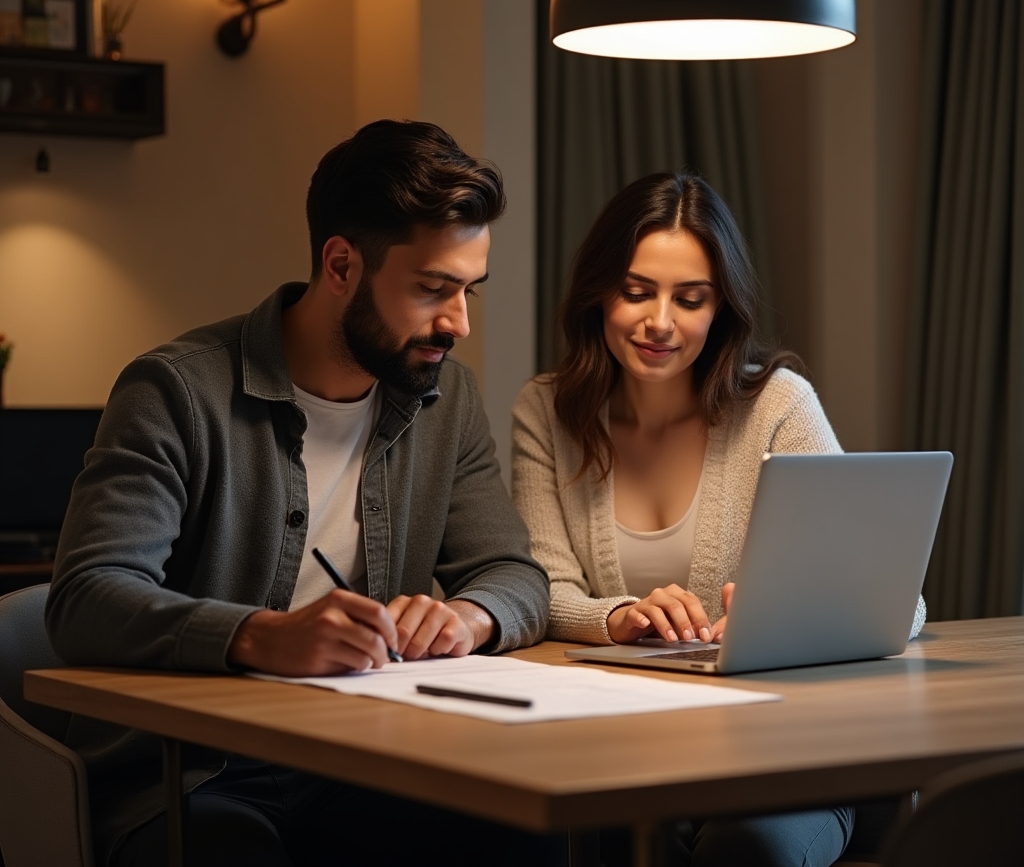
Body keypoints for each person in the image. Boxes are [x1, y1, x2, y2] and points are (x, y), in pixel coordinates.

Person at [46, 120, 559, 867]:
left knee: (532, 836)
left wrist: (467, 618)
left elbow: (515, 575)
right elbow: (85, 597)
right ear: (342, 264)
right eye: (432, 290)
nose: (459, 324)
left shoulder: (447, 399)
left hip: (368, 763)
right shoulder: (176, 390)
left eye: (469, 291)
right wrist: (258, 635)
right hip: (193, 774)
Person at [512, 170, 926, 867]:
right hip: (624, 745)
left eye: (691, 298)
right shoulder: (546, 412)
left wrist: (778, 619)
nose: (660, 322)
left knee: (746, 851)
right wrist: (619, 618)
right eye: (637, 291)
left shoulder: (778, 406)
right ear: (599, 294)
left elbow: (895, 603)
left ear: (721, 309)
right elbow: (538, 590)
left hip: (783, 752)